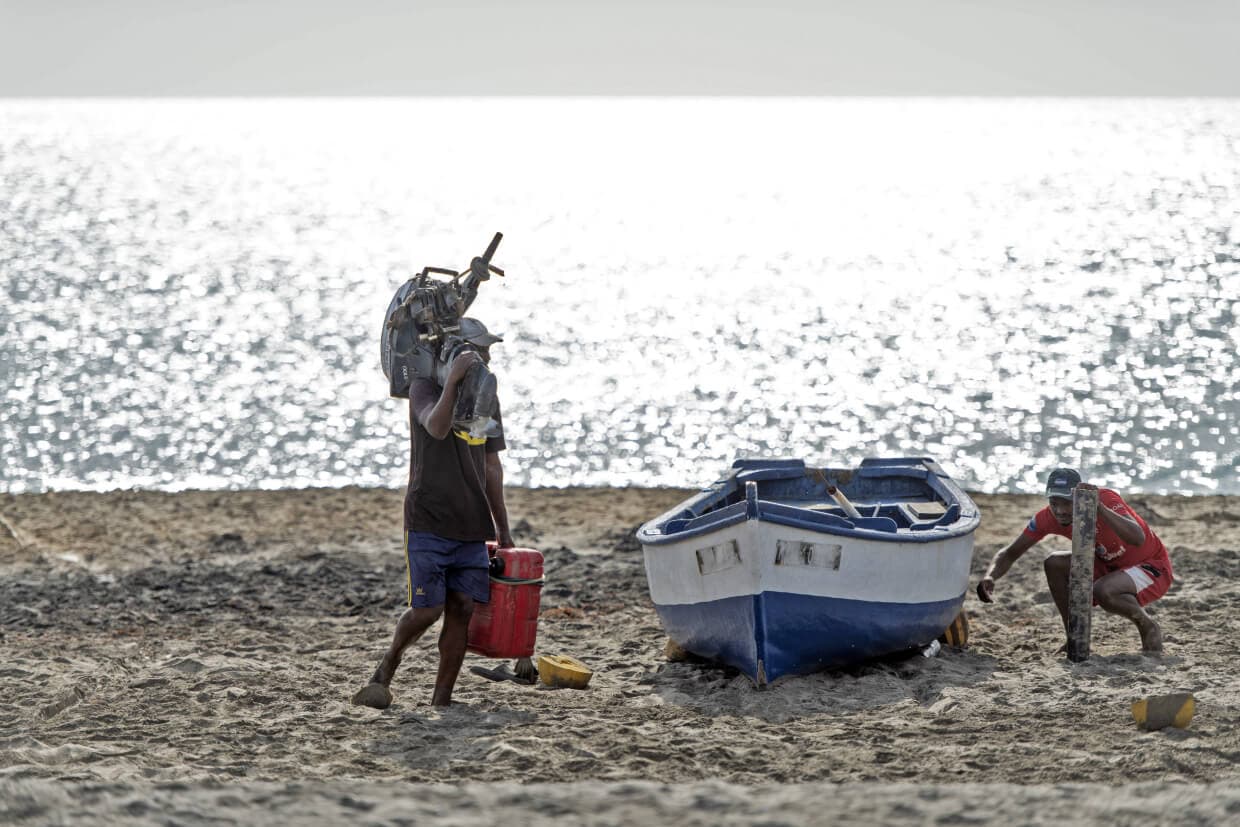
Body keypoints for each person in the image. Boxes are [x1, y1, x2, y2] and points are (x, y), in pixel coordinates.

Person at [353, 318, 514, 709]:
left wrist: (503, 529)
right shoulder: (424, 388)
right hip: (428, 517)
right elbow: (438, 428)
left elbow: (492, 467)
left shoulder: (486, 396)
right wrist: (455, 381)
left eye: (487, 352)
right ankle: (389, 662)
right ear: (455, 352)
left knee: (462, 608)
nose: (486, 358)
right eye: (478, 351)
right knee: (428, 608)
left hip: (472, 523)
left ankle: (442, 699)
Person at [976, 468, 1172, 654]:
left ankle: (1147, 625)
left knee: (1104, 590)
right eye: (1054, 502)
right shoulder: (1048, 517)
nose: (1060, 510)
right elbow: (1010, 552)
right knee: (1053, 563)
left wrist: (1099, 508)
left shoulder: (1104, 499)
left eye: (1067, 503)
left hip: (1151, 566)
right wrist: (991, 577)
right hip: (1108, 565)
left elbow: (1137, 538)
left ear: (1079, 497)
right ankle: (1074, 635)